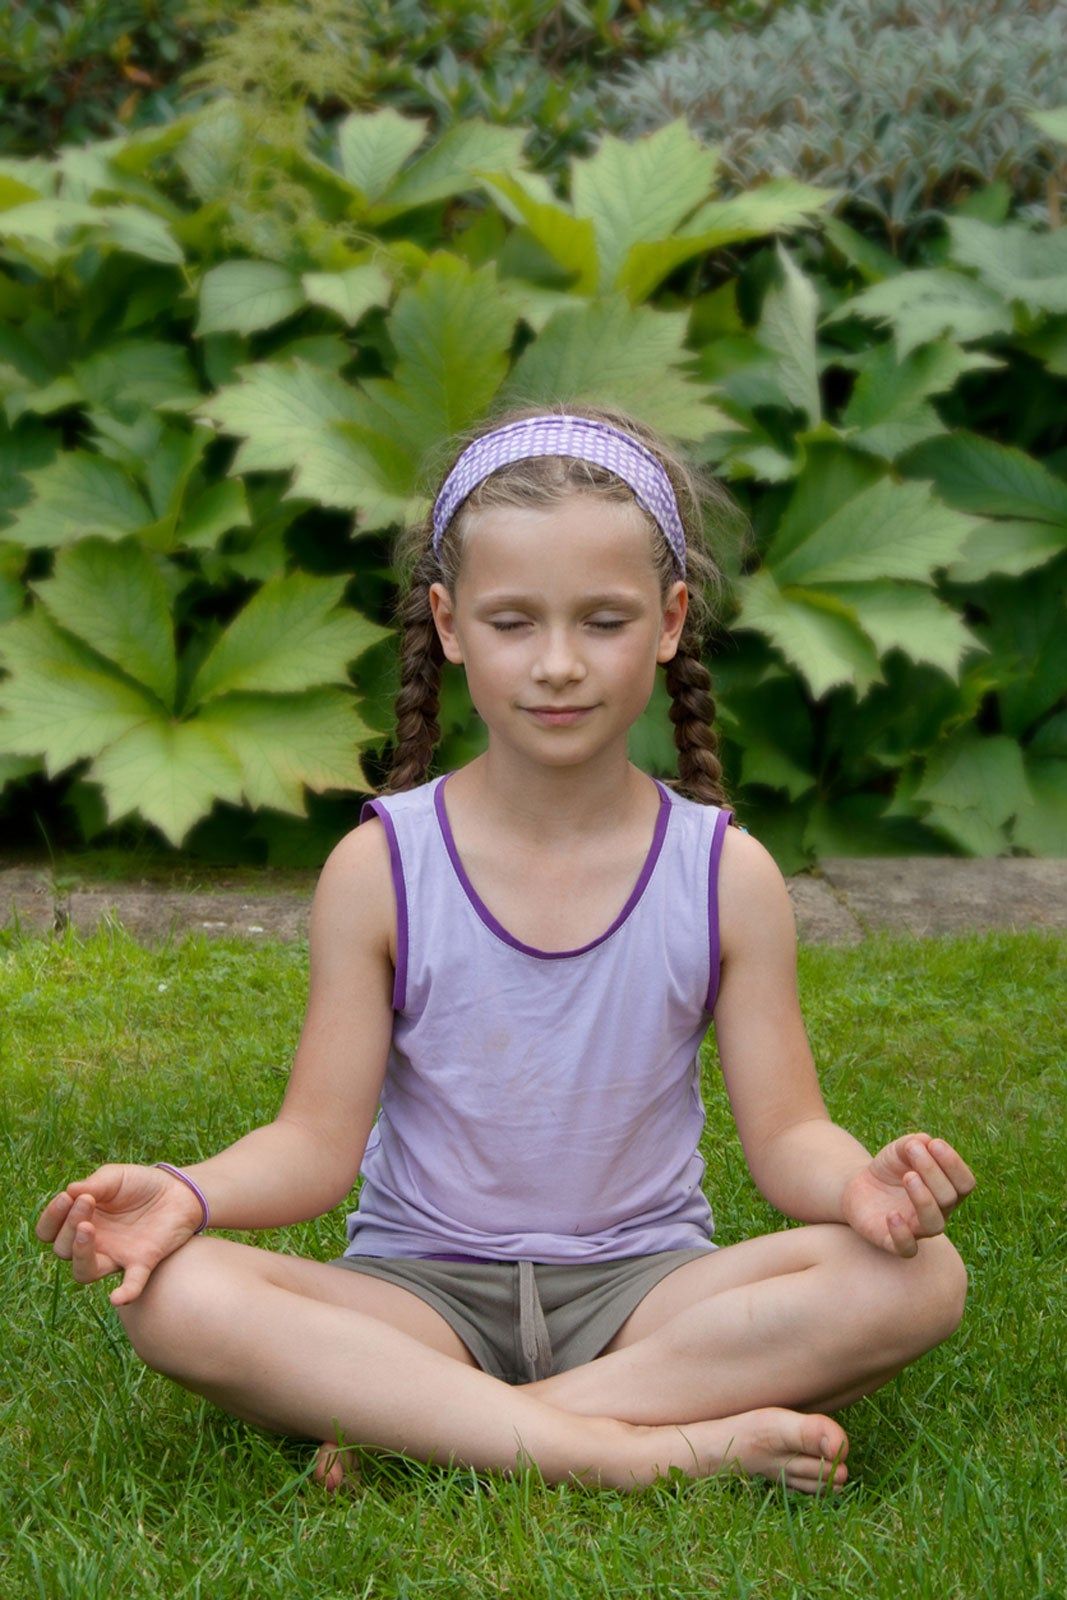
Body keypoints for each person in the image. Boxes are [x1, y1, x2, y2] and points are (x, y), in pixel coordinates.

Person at [36, 402, 976, 1498]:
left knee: (917, 1279)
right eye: (513, 621)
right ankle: (636, 1451)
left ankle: (450, 1430)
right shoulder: (381, 868)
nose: (560, 663)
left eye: (605, 621)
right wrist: (187, 1191)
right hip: (415, 1298)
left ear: (672, 621)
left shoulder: (723, 873)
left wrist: (859, 1184)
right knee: (174, 1296)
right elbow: (312, 1145)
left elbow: (787, 1135)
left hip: (647, 1298)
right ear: (447, 622)